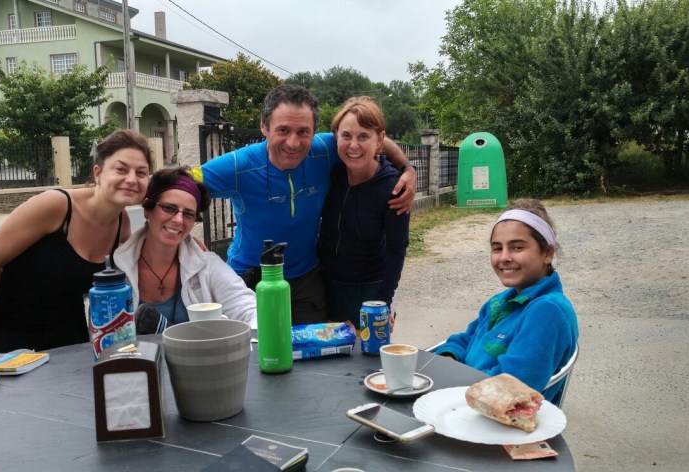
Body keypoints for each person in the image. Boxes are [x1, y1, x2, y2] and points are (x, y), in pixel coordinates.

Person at [192, 84, 417, 325]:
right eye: (283, 130)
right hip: (251, 280)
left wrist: (408, 168)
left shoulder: (325, 149)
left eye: (303, 132)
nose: (293, 143)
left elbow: (371, 136)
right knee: (256, 348)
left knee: (319, 348)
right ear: (264, 127)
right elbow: (179, 184)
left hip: (306, 282)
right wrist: (184, 237)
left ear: (314, 132)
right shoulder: (239, 165)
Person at [0, 129, 152, 355]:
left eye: (141, 173)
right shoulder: (56, 206)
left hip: (68, 336)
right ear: (98, 172)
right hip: (10, 333)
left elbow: (135, 267)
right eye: (121, 169)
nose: (131, 179)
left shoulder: (121, 224)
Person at [432, 199, 579, 402]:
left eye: (517, 248)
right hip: (464, 394)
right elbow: (466, 338)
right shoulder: (501, 302)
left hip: (490, 412)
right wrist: (449, 358)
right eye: (497, 248)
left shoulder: (547, 312)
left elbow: (510, 387)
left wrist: (450, 382)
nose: (504, 257)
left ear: (547, 253)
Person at [114, 167, 256, 329]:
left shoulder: (206, 264)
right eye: (169, 208)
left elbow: (249, 309)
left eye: (188, 214)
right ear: (148, 210)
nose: (178, 220)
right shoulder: (118, 266)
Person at [318, 96, 410, 328]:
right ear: (336, 136)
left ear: (379, 140)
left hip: (370, 287)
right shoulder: (332, 173)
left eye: (363, 137)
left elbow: (397, 250)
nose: (353, 145)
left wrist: (382, 302)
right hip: (328, 285)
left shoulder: (394, 188)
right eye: (346, 136)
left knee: (368, 350)